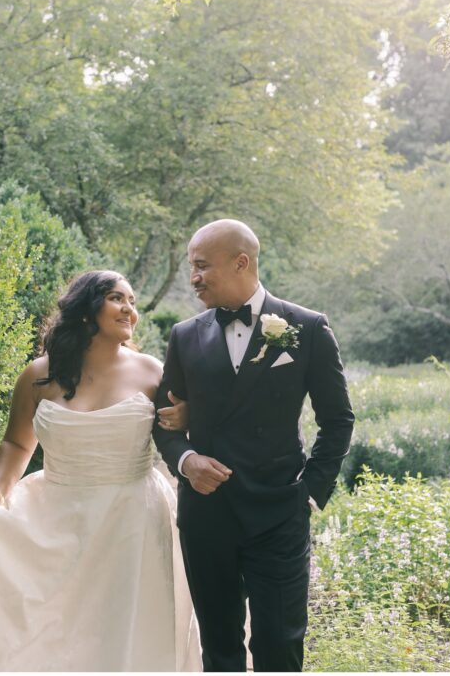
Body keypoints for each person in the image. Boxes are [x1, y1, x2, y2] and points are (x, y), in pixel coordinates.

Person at [0, 270, 202, 671]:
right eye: (116, 298)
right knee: (51, 630)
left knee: (120, 631)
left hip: (133, 522)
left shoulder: (152, 372)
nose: (129, 310)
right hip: (56, 517)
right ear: (87, 310)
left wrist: (187, 416)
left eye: (132, 302)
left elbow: (179, 432)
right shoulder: (38, 376)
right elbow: (17, 443)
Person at [153, 219, 354, 672]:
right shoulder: (184, 337)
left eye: (202, 266)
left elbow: (338, 419)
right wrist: (186, 462)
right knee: (220, 649)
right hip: (207, 516)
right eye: (192, 267)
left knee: (279, 646)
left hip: (278, 513)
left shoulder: (307, 327)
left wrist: (308, 492)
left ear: (241, 262)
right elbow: (164, 423)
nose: (194, 278)